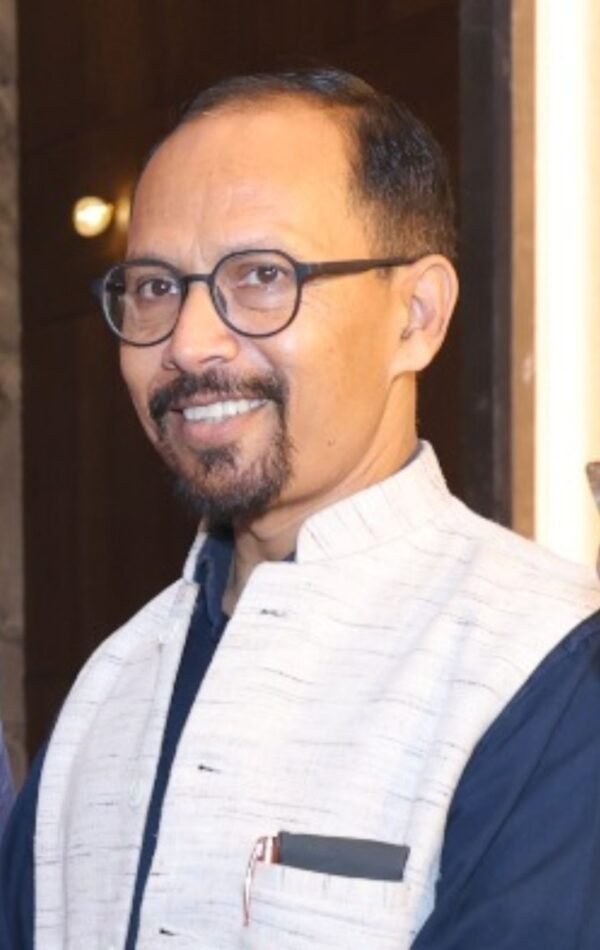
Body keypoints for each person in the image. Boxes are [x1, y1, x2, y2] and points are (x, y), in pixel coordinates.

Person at [2, 67, 600, 950]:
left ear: (417, 315)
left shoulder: (552, 666)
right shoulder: (110, 686)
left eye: (260, 276)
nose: (190, 343)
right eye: (156, 286)